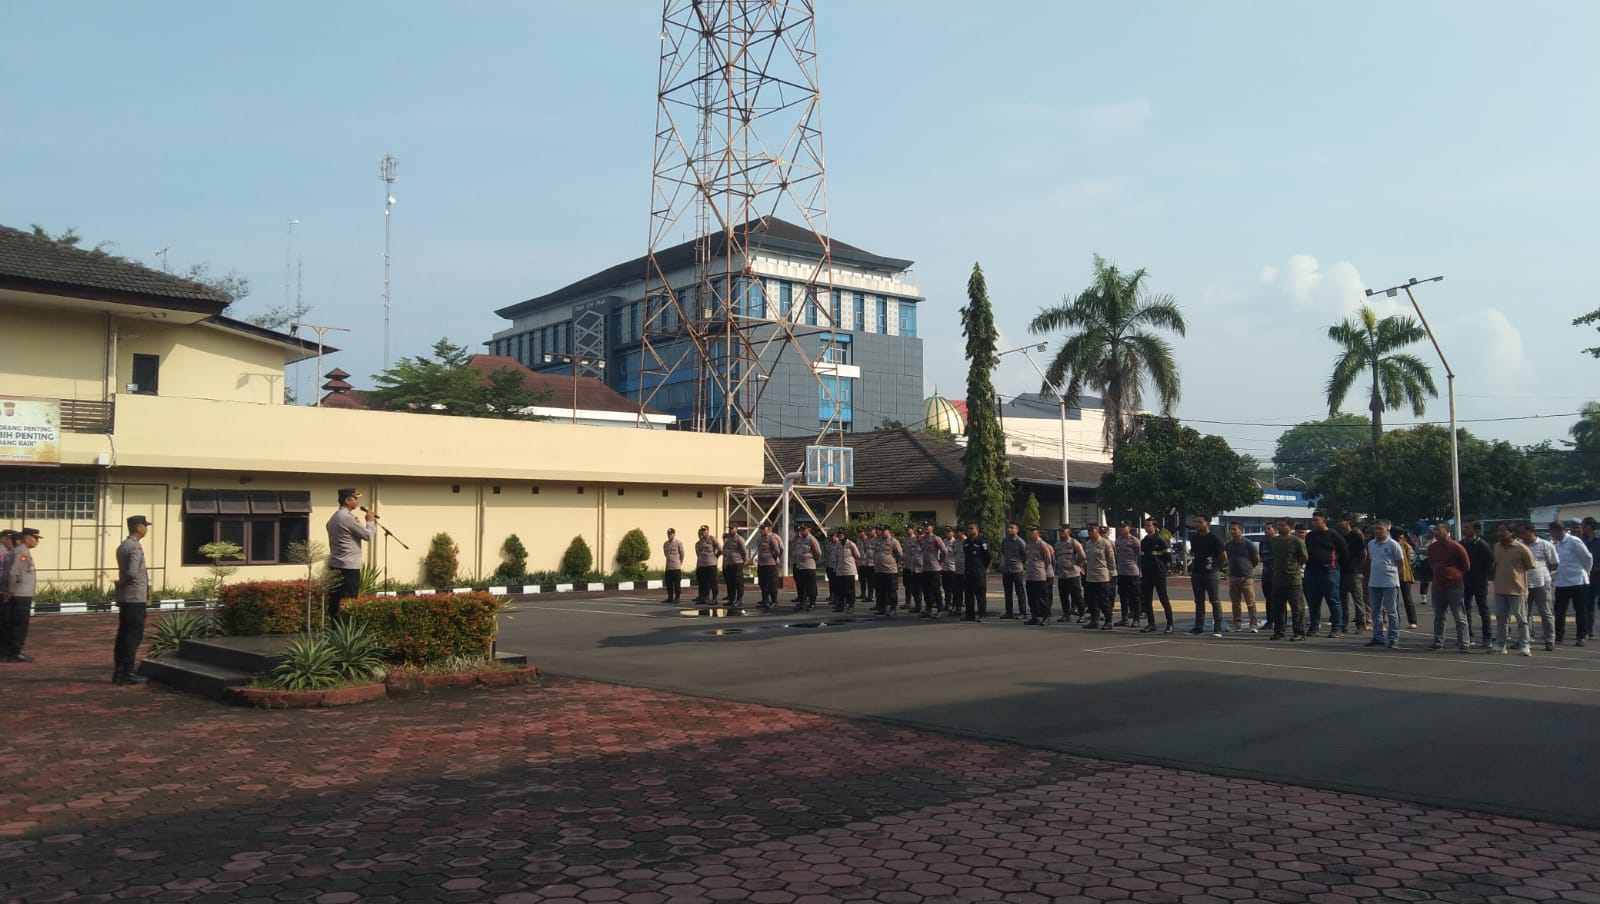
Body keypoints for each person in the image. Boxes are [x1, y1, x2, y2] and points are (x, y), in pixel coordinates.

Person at [325, 488, 377, 622]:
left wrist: (357, 525)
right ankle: (347, 630)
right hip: (348, 568)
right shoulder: (346, 518)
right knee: (349, 603)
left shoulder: (334, 518)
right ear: (347, 500)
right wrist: (370, 521)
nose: (357, 501)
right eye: (355, 498)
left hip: (335, 565)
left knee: (335, 602)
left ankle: (335, 629)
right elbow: (367, 535)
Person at [113, 515, 153, 685]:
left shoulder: (123, 545)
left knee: (123, 634)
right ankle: (128, 672)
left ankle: (119, 671)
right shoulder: (135, 547)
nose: (146, 529)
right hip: (135, 597)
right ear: (138, 527)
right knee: (133, 635)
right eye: (145, 525)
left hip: (126, 597)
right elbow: (132, 572)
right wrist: (122, 583)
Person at [1490, 522, 1536, 656]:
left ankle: (1524, 645)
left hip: (1518, 589)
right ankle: (1500, 645)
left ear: (1511, 533)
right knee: (1501, 619)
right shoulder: (1497, 547)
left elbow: (1530, 565)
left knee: (1521, 619)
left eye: (1503, 530)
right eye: (1498, 530)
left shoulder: (1521, 548)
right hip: (1500, 588)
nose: (1500, 533)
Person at [1424, 522, 1471, 653]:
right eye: (1435, 530)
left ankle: (1464, 643)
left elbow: (1466, 565)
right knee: (1439, 615)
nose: (1436, 532)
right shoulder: (1432, 547)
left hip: (1454, 586)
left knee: (1459, 615)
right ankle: (1438, 642)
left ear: (1447, 531)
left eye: (1439, 530)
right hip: (1437, 585)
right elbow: (1431, 563)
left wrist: (1454, 574)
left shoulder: (1456, 546)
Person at [1303, 513, 1347, 637]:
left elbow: (1344, 551)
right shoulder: (1310, 536)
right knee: (1313, 601)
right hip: (1311, 571)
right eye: (1312, 520)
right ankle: (1314, 626)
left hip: (1329, 571)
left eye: (1316, 520)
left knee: (1333, 600)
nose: (1314, 522)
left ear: (1324, 521)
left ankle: (1337, 627)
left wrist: (1333, 561)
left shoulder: (1333, 535)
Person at [1551, 520, 1594, 645]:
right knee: (1559, 610)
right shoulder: (1557, 544)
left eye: (1552, 532)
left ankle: (1581, 636)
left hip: (1578, 581)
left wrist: (1587, 572)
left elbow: (1587, 557)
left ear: (1558, 531)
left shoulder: (1574, 541)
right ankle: (1559, 635)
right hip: (1562, 581)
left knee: (1580, 610)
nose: (1551, 534)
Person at [2, 527, 42, 662]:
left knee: (10, 623)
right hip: (20, 594)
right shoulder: (22, 552)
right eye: (35, 538)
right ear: (27, 538)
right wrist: (10, 590)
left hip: (17, 593)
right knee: (20, 623)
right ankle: (15, 652)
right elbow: (13, 573)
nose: (37, 541)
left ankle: (7, 651)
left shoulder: (15, 551)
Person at [1517, 521, 1559, 650]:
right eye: (1520, 533)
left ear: (1532, 531)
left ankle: (1549, 640)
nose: (1522, 535)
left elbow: (1554, 563)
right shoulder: (1518, 545)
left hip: (1542, 583)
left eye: (1524, 533)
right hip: (1523, 583)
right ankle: (1525, 639)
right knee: (1524, 614)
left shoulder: (1545, 545)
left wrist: (1542, 572)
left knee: (1545, 612)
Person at [1366, 521, 1406, 649]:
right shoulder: (1371, 544)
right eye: (1375, 529)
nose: (1377, 531)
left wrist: (1393, 574)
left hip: (1389, 582)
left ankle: (1393, 638)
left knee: (1391, 611)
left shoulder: (1393, 544)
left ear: (1387, 530)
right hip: (1374, 582)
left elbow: (1400, 563)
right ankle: (1378, 637)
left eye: (1380, 529)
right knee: (1375, 611)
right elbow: (1371, 559)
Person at [1269, 518, 1309, 641]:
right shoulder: (1274, 541)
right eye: (1278, 525)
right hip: (1277, 579)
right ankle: (1279, 631)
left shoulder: (1296, 541)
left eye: (1282, 525)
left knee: (1297, 608)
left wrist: (1294, 567)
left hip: (1293, 580)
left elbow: (1304, 557)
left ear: (1290, 527)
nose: (1279, 527)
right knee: (1278, 607)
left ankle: (1299, 632)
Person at [1187, 518, 1227, 638]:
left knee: (1214, 600)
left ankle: (1218, 627)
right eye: (1196, 522)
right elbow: (1193, 553)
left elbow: (1223, 555)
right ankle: (1198, 626)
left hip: (1211, 572)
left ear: (1207, 523)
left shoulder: (1214, 538)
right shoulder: (1194, 538)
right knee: (1199, 601)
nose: (1197, 524)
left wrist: (1218, 567)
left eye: (1200, 522)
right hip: (1197, 572)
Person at [1461, 521, 1495, 648]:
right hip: (1465, 581)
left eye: (1467, 528)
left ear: (1476, 530)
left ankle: (1487, 637)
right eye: (1464, 527)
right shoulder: (1462, 544)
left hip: (1480, 582)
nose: (1465, 529)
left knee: (1483, 610)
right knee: (1465, 610)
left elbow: (1490, 563)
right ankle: (1468, 636)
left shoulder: (1482, 545)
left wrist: (1485, 577)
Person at [1139, 518, 1174, 634]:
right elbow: (1142, 557)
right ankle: (1151, 624)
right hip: (1147, 574)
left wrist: (1164, 569)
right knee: (1147, 599)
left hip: (1158, 573)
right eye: (1145, 525)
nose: (1146, 527)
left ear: (1154, 526)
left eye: (1149, 525)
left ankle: (1170, 624)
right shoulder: (1144, 541)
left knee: (1163, 598)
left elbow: (1168, 558)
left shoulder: (1161, 540)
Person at [1224, 523, 1260, 633]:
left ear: (1240, 530)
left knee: (1250, 602)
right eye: (1231, 529)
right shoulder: (1229, 545)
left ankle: (1253, 624)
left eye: (1234, 529)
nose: (1232, 531)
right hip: (1233, 576)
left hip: (1246, 577)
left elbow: (1256, 559)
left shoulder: (1248, 544)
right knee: (1235, 603)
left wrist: (1248, 568)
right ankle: (1236, 624)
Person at [1082, 524, 1116, 629]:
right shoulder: (1088, 543)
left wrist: (1111, 573)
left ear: (1097, 532)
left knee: (1103, 600)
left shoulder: (1105, 543)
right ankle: (1094, 620)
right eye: (1089, 531)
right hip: (1090, 575)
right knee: (1091, 600)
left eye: (1092, 531)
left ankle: (1108, 620)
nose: (1090, 533)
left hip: (1101, 575)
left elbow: (1111, 560)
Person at [1339, 518, 1370, 634]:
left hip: (1354, 572)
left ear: (1348, 522)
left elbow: (1364, 553)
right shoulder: (1339, 536)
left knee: (1358, 599)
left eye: (1341, 521)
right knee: (1342, 600)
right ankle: (1344, 624)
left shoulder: (1356, 536)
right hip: (1341, 571)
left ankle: (1361, 625)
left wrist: (1359, 567)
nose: (1340, 524)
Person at [1021, 525, 1055, 625]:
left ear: (1038, 532)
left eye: (1033, 530)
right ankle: (1035, 617)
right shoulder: (1028, 544)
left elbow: (1048, 559)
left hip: (1040, 576)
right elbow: (1025, 557)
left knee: (1042, 598)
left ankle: (1046, 618)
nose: (1030, 532)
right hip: (1030, 575)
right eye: (1029, 530)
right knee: (1032, 598)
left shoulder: (1042, 544)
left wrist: (1042, 569)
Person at [1053, 524, 1086, 624]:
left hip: (1073, 573)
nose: (1061, 533)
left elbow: (1082, 556)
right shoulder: (1058, 544)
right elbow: (1056, 557)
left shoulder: (1074, 543)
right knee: (1063, 596)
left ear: (1068, 532)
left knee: (1077, 596)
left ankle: (1082, 614)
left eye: (1063, 531)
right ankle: (1066, 615)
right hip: (1062, 574)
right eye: (1060, 531)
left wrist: (1078, 566)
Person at [1113, 522, 1143, 628]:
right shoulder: (1118, 540)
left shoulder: (1134, 541)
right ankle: (1124, 618)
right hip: (1121, 571)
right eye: (1120, 527)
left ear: (1129, 528)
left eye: (1124, 527)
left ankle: (1136, 619)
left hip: (1132, 571)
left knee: (1134, 596)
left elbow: (1139, 556)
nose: (1121, 529)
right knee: (1123, 596)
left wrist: (1140, 570)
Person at [961, 523, 992, 621]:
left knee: (980, 594)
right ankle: (970, 614)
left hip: (978, 572)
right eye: (968, 528)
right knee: (968, 594)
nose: (969, 530)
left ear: (977, 529)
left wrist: (983, 567)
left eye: (971, 528)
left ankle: (982, 614)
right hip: (968, 571)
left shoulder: (981, 541)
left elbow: (988, 557)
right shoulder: (966, 542)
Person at [873, 525, 904, 615]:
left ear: (888, 531)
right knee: (881, 591)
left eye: (884, 531)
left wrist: (892, 562)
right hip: (879, 570)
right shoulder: (878, 541)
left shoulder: (894, 541)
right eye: (881, 531)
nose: (882, 532)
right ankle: (883, 608)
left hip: (890, 570)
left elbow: (900, 554)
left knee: (891, 591)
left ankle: (893, 608)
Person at [792, 523, 822, 612]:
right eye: (801, 529)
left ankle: (812, 603)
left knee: (810, 586)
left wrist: (814, 560)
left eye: (804, 529)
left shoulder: (812, 539)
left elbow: (818, 553)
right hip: (800, 566)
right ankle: (802, 602)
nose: (802, 531)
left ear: (808, 530)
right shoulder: (799, 539)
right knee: (800, 586)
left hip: (809, 566)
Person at [830, 527, 861, 612]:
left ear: (846, 535)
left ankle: (850, 605)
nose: (840, 535)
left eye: (842, 534)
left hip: (849, 570)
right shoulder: (838, 544)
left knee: (849, 589)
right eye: (839, 534)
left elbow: (858, 555)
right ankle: (840, 605)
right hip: (840, 570)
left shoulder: (851, 544)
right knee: (840, 589)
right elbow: (835, 557)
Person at [999, 522, 1026, 619]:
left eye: (1012, 528)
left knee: (1020, 592)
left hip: (1017, 570)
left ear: (1017, 530)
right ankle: (1009, 612)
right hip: (1007, 570)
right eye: (1008, 528)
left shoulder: (1020, 542)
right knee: (1008, 592)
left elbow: (1024, 555)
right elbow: (1003, 551)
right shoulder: (1005, 541)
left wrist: (1020, 564)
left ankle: (1023, 612)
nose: (1009, 529)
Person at [753, 522, 783, 609]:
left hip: (771, 564)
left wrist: (775, 557)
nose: (761, 530)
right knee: (763, 583)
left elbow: (780, 549)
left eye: (763, 528)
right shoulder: (759, 539)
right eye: (761, 529)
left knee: (772, 583)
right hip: (762, 564)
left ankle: (774, 601)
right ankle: (765, 600)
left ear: (769, 529)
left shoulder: (773, 538)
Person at [1395, 529, 1420, 629]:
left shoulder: (1404, 545)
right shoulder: (1391, 544)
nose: (1401, 538)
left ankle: (1413, 620)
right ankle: (1396, 621)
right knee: (1394, 599)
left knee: (1408, 598)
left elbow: (1409, 558)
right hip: (1393, 575)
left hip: (1404, 574)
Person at [921, 523, 947, 616]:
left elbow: (944, 551)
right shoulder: (922, 539)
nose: (925, 528)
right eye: (924, 526)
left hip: (934, 568)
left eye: (927, 526)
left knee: (936, 590)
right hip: (925, 569)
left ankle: (939, 609)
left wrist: (941, 560)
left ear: (932, 528)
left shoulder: (936, 538)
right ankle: (928, 609)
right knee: (926, 590)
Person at [691, 525, 721, 605]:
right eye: (702, 530)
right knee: (703, 582)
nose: (703, 532)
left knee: (712, 582)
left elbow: (720, 549)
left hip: (711, 564)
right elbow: (698, 554)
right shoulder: (700, 542)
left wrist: (716, 557)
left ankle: (714, 598)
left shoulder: (712, 539)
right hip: (702, 565)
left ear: (708, 531)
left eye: (704, 530)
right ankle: (704, 598)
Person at [721, 524, 748, 608]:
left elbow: (744, 551)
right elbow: (725, 549)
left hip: (737, 563)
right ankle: (731, 599)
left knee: (738, 582)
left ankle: (739, 600)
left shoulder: (739, 539)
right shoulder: (728, 538)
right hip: (729, 563)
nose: (730, 530)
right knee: (730, 582)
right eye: (730, 528)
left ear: (736, 529)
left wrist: (742, 561)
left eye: (732, 528)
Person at [941, 526, 963, 614]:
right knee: (946, 587)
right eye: (946, 532)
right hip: (945, 568)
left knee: (954, 588)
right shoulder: (943, 541)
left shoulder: (955, 542)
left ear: (953, 533)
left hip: (953, 568)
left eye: (949, 532)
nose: (947, 533)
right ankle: (947, 604)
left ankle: (955, 604)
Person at [662, 528, 685, 604]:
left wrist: (680, 562)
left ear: (674, 534)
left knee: (677, 583)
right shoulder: (665, 544)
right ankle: (670, 597)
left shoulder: (678, 543)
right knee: (669, 583)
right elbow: (666, 554)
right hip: (668, 567)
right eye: (668, 534)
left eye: (671, 534)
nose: (669, 535)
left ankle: (677, 597)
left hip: (676, 567)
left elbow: (682, 554)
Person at [859, 525, 878, 605]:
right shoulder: (866, 540)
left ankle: (877, 597)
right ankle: (870, 596)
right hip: (868, 563)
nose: (869, 532)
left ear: (874, 531)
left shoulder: (878, 539)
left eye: (871, 530)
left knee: (876, 582)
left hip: (875, 563)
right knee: (869, 581)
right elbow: (864, 550)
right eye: (868, 531)